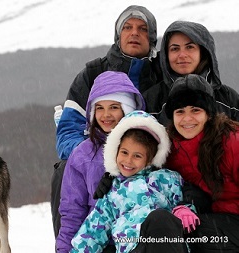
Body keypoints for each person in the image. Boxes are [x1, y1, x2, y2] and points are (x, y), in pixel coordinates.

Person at [52, 5, 162, 238]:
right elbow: (67, 132)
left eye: (142, 29)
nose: (134, 33)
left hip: (144, 164)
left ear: (151, 39)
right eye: (127, 27)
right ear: (117, 35)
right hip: (91, 157)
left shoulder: (160, 77)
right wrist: (97, 158)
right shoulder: (92, 74)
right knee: (64, 170)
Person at [71, 110, 197, 253]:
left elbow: (187, 201)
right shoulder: (112, 193)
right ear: (116, 151)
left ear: (149, 159)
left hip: (166, 244)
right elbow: (91, 234)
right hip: (134, 248)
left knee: (160, 218)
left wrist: (185, 210)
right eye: (124, 152)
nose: (128, 161)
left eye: (137, 156)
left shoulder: (167, 180)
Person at [56, 71, 145, 253]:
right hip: (97, 242)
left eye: (113, 107)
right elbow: (72, 211)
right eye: (99, 108)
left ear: (127, 109)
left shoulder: (145, 146)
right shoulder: (83, 154)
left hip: (137, 240)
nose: (106, 115)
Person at [164, 74, 239, 252]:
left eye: (195, 110)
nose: (187, 118)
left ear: (209, 114)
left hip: (234, 218)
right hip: (211, 214)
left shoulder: (231, 142)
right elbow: (138, 160)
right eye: (180, 111)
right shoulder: (170, 149)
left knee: (196, 238)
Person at [144, 20, 239, 124]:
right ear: (166, 56)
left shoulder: (228, 98)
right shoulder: (152, 100)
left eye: (190, 47)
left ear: (203, 52)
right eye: (175, 49)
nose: (182, 55)